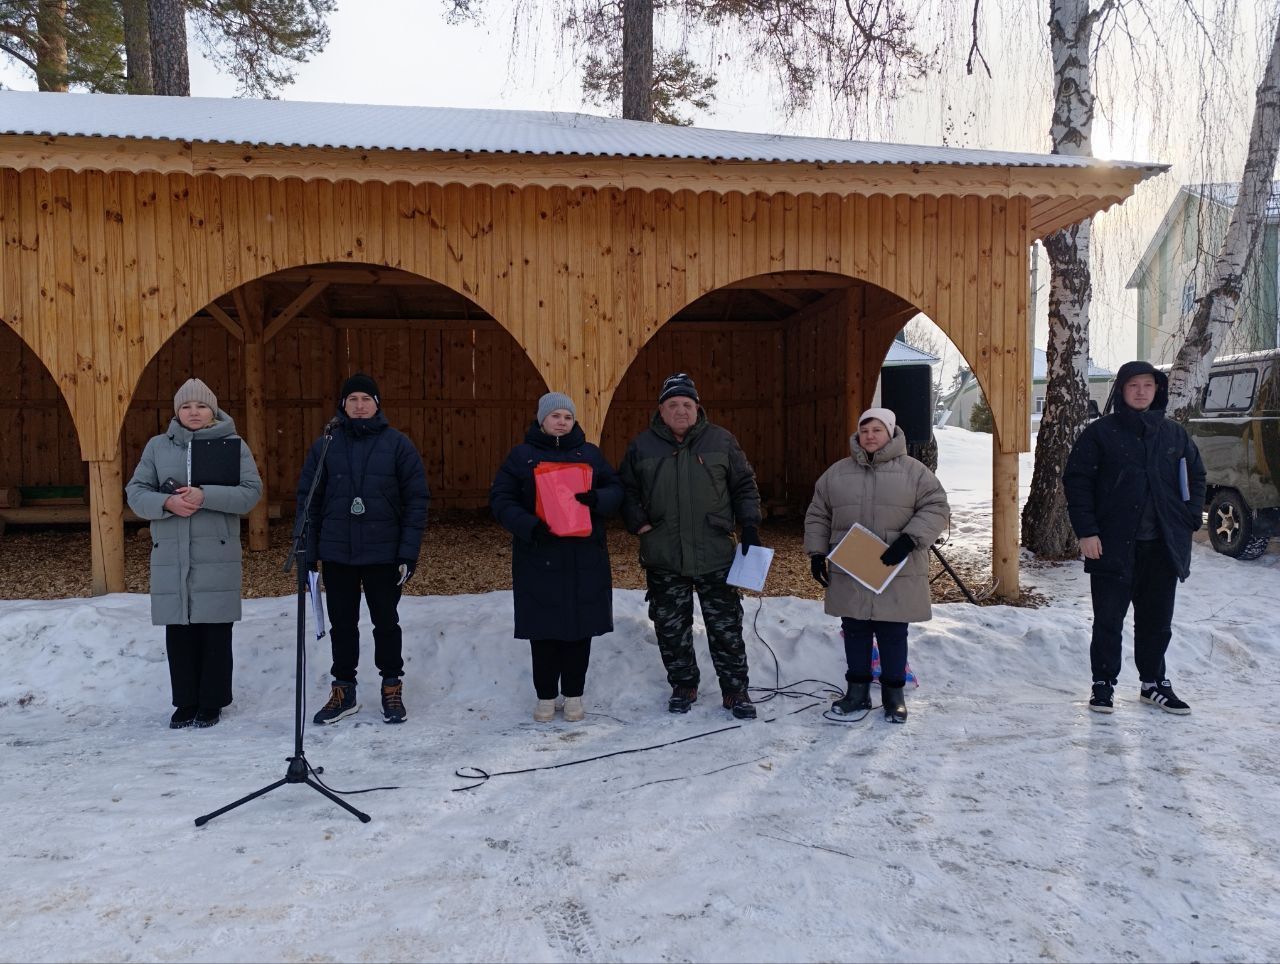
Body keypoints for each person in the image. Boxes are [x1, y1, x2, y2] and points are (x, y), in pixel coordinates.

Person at [1063, 361, 1206, 715]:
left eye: (1148, 385)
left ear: (1158, 390)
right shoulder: (1101, 434)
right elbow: (1077, 481)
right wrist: (1087, 532)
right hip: (1112, 544)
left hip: (1162, 547)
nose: (1141, 391)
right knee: (1108, 619)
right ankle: (1103, 683)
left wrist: (1188, 517)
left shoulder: (1174, 435)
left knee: (1157, 620)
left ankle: (1153, 683)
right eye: (1133, 385)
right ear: (1121, 391)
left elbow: (1197, 476)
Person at [619, 373, 763, 720]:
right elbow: (625, 491)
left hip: (715, 553)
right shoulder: (642, 446)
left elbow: (744, 485)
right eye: (673, 405)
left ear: (698, 409)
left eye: (687, 404)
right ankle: (683, 685)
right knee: (671, 626)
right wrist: (638, 522)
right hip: (664, 554)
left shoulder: (721, 441)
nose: (680, 411)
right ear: (661, 410)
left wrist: (751, 526)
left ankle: (735, 691)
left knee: (725, 626)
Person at [126, 378, 263, 729]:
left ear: (212, 409)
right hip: (171, 552)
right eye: (186, 406)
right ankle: (185, 702)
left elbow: (250, 493)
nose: (194, 412)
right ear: (177, 412)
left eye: (201, 406)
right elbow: (136, 493)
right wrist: (166, 502)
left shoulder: (232, 445)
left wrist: (207, 496)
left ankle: (212, 702)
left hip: (215, 550)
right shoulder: (158, 447)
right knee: (180, 628)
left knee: (214, 628)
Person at [296, 373, 429, 726]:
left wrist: (407, 552)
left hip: (383, 551)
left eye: (365, 399)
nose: (359, 405)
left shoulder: (398, 444)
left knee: (386, 622)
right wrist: (309, 551)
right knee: (343, 623)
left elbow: (417, 500)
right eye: (352, 399)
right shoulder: (326, 444)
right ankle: (344, 690)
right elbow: (309, 499)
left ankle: (391, 686)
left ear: (376, 404)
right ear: (343, 404)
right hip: (338, 550)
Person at [804, 407, 949, 723]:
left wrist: (910, 540)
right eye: (864, 430)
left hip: (897, 568)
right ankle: (856, 693)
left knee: (892, 632)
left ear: (891, 433)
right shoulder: (837, 473)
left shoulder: (915, 472)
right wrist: (816, 552)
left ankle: (892, 695)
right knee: (854, 629)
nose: (870, 436)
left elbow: (936, 507)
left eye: (877, 430)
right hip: (851, 568)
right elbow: (818, 513)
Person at [490, 392, 623, 722]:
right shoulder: (522, 456)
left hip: (583, 556)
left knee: (580, 631)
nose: (561, 422)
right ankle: (546, 696)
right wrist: (529, 526)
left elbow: (617, 489)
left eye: (567, 416)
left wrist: (598, 499)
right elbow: (502, 498)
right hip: (540, 555)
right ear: (541, 420)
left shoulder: (590, 454)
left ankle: (574, 694)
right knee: (544, 631)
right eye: (555, 416)